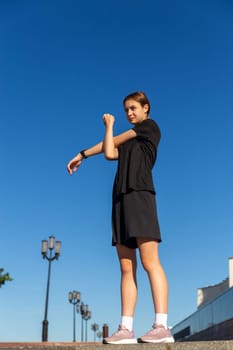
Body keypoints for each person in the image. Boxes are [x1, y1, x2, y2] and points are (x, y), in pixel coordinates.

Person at [67, 91, 174, 344]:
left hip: (140, 196)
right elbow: (109, 151)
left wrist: (111, 127)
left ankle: (162, 325)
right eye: (126, 109)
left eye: (133, 108)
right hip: (120, 201)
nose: (129, 113)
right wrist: (82, 154)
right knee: (126, 267)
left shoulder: (149, 127)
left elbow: (113, 141)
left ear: (146, 108)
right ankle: (126, 328)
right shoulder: (126, 141)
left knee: (150, 262)